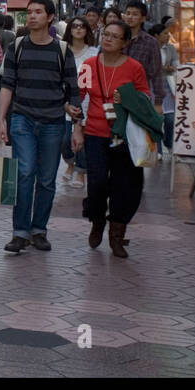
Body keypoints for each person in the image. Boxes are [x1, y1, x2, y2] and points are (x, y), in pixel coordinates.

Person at [0, 0, 82, 253]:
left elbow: (72, 90)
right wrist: (1, 120)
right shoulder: (17, 46)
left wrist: (77, 125)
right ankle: (20, 232)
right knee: (24, 172)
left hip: (53, 122)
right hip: (22, 118)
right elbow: (7, 84)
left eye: (38, 12)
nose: (32, 16)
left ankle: (39, 230)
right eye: (29, 12)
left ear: (50, 17)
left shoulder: (61, 50)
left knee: (46, 179)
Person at [71, 20, 150, 258]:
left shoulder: (134, 67)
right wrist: (77, 128)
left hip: (124, 135)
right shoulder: (89, 64)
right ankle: (97, 221)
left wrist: (127, 98)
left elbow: (144, 96)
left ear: (124, 43)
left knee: (125, 186)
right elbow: (78, 98)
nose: (108, 39)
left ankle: (117, 233)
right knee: (96, 185)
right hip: (95, 132)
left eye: (115, 37)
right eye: (106, 34)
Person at [59, 17, 98, 188]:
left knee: (83, 140)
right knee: (65, 140)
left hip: (89, 103)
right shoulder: (62, 51)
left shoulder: (94, 53)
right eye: (74, 26)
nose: (78, 29)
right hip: (65, 103)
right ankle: (70, 163)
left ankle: (81, 171)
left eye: (82, 26)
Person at [122, 0, 167, 116]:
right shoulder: (116, 38)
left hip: (140, 97)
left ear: (143, 18)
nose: (130, 17)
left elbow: (156, 73)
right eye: (128, 13)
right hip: (115, 96)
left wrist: (158, 103)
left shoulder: (150, 42)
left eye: (135, 14)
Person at [153, 21, 178, 158]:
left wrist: (172, 68)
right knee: (157, 119)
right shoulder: (150, 48)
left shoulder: (170, 49)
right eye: (165, 34)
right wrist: (161, 68)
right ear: (156, 35)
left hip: (167, 87)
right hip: (153, 87)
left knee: (170, 118)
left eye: (168, 33)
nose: (168, 36)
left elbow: (176, 63)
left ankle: (168, 142)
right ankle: (158, 150)